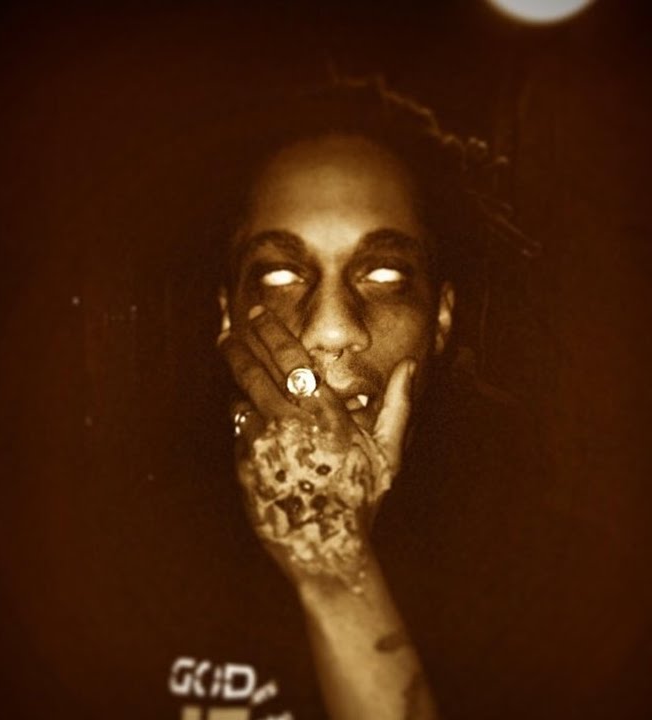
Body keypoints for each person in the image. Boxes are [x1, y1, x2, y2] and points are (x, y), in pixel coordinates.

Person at [156, 74, 543, 720]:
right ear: (228, 316)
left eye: (384, 274)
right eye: (280, 275)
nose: (332, 329)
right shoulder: (122, 553)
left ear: (441, 319)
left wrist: (335, 571)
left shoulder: (549, 574)